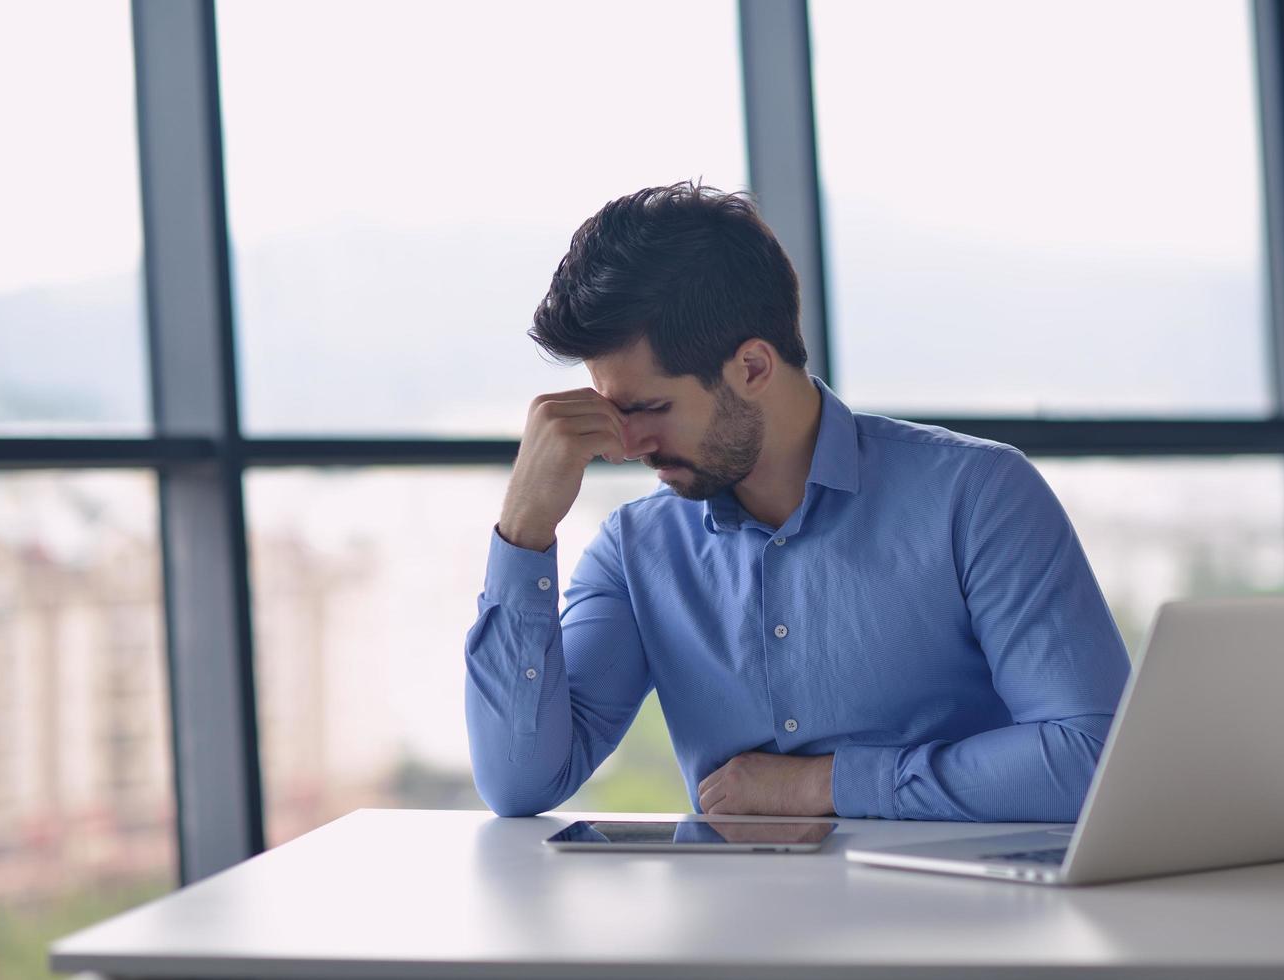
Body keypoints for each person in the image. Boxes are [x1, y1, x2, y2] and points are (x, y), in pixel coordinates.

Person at [464, 180, 1130, 821]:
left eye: (650, 408)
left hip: (958, 927)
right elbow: (520, 783)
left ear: (751, 367)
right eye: (614, 411)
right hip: (738, 933)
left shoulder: (978, 497)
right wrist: (523, 529)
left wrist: (825, 784)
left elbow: (1091, 759)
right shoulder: (636, 550)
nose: (625, 444)